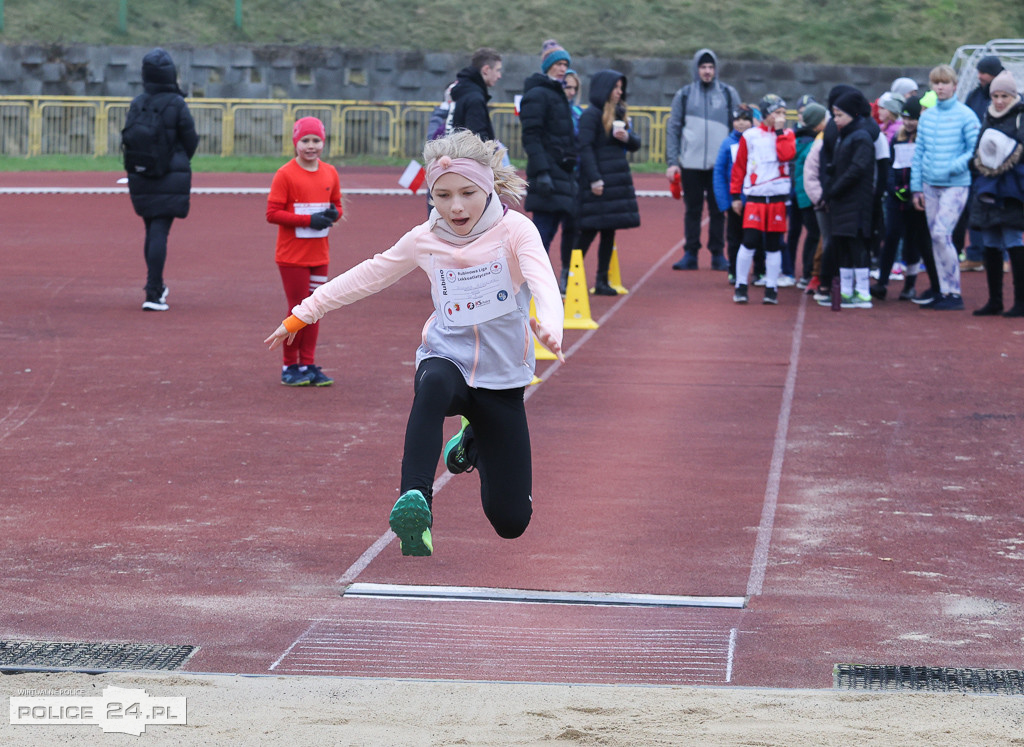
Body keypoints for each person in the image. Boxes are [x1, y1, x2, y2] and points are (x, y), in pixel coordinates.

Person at [264, 131, 564, 557]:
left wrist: (552, 326)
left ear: (489, 188)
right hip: (447, 358)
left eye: (466, 193)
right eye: (441, 196)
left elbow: (543, 283)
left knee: (511, 521)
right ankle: (415, 501)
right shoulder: (425, 237)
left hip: (502, 380)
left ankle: (472, 440)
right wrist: (303, 313)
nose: (455, 207)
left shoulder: (516, 231)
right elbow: (369, 274)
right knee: (434, 385)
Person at [266, 116, 342, 386]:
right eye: (305, 141)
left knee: (316, 308)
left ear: (323, 142)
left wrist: (333, 214)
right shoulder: (285, 174)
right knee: (298, 310)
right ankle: (290, 365)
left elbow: (337, 206)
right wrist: (309, 220)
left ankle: (308, 364)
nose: (311, 146)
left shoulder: (330, 172)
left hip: (319, 254)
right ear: (296, 142)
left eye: (316, 140)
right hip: (292, 256)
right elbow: (272, 213)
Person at [125, 48, 199, 312]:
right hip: (170, 175)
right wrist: (178, 158)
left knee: (151, 230)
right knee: (160, 231)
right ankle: (154, 291)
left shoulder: (138, 102)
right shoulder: (177, 103)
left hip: (141, 174)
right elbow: (191, 140)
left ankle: (154, 286)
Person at [910, 64, 981, 310]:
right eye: (936, 83)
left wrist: (955, 166)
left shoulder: (966, 115)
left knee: (942, 234)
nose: (940, 87)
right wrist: (916, 187)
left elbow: (975, 148)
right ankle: (943, 290)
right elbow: (918, 153)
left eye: (944, 82)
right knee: (935, 238)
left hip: (956, 184)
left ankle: (954, 292)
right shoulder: (927, 116)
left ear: (954, 86)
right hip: (930, 186)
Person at [666, 48, 740, 271]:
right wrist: (673, 161)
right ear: (696, 69)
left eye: (710, 67)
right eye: (703, 67)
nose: (707, 71)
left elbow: (738, 127)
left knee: (719, 210)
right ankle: (691, 253)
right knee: (693, 210)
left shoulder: (728, 94)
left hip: (720, 165)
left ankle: (718, 253)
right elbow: (673, 128)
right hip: (691, 164)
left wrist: (736, 160)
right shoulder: (685, 94)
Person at [576, 69, 641, 295]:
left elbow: (636, 144)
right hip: (599, 179)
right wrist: (594, 178)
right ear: (604, 89)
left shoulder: (619, 112)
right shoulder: (591, 115)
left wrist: (627, 137)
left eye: (621, 88)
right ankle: (571, 276)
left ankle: (602, 280)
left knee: (609, 231)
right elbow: (585, 148)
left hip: (615, 178)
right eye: (615, 88)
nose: (619, 92)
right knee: (588, 230)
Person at [520, 39, 579, 291]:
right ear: (547, 67)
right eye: (558, 64)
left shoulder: (557, 95)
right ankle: (532, 282)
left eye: (566, 64)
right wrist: (542, 172)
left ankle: (562, 279)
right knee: (542, 231)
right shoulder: (537, 95)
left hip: (563, 173)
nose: (563, 68)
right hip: (548, 174)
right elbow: (531, 136)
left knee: (567, 226)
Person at [967, 70, 1024, 317]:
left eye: (1004, 96)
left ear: (1013, 96)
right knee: (990, 242)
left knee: (1013, 241)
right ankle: (994, 300)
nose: (999, 101)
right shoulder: (987, 116)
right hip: (987, 188)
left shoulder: (1021, 117)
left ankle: (1021, 301)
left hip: (1011, 190)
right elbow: (978, 147)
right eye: (996, 96)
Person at [729, 94, 796, 304]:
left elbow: (786, 155)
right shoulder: (750, 136)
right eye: (777, 113)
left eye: (784, 113)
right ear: (766, 114)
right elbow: (739, 167)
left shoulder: (787, 134)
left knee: (774, 245)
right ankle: (741, 285)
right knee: (749, 241)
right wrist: (735, 196)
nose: (781, 117)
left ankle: (771, 287)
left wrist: (779, 132)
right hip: (756, 198)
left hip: (777, 198)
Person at [871, 96, 928, 302]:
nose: (909, 123)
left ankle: (910, 285)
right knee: (892, 236)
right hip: (896, 197)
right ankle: (882, 282)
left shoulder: (924, 139)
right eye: (905, 118)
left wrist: (915, 190)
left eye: (913, 119)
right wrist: (894, 188)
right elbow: (891, 165)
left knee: (913, 241)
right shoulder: (898, 137)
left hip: (916, 198)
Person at [827, 91, 878, 308]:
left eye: (839, 115)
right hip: (843, 200)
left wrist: (835, 188)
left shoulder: (861, 137)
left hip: (856, 201)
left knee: (857, 245)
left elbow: (857, 168)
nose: (836, 120)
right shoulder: (846, 136)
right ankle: (846, 291)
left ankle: (863, 291)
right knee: (844, 244)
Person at [960, 55, 1004, 273]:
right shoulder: (974, 95)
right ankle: (975, 255)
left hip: (1000, 164)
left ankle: (1001, 255)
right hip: (976, 162)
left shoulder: (1010, 97)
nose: (979, 77)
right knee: (974, 209)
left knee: (1000, 209)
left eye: (983, 72)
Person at [713, 104, 756, 283]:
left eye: (745, 119)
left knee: (754, 237)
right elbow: (719, 173)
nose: (741, 123)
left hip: (755, 199)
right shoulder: (727, 143)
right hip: (735, 200)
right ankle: (734, 271)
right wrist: (726, 202)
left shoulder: (757, 140)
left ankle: (758, 270)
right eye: (737, 119)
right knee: (734, 237)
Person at [790, 103, 827, 288]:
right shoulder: (814, 143)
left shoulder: (799, 140)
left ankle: (805, 272)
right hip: (808, 195)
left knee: (810, 234)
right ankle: (808, 272)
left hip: (801, 194)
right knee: (815, 234)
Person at [450, 47, 503, 141]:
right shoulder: (475, 98)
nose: (499, 76)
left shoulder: (463, 90)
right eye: (497, 70)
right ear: (486, 70)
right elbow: (477, 138)